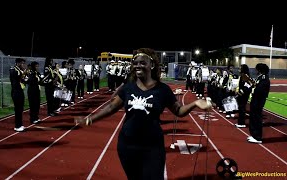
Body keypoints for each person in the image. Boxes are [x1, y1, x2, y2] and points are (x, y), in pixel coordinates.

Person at [79, 48, 212, 179]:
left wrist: (195, 103)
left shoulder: (163, 90)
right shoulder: (128, 87)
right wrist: (90, 119)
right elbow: (111, 107)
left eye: (142, 63)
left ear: (152, 65)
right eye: (135, 63)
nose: (138, 66)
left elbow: (179, 111)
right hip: (127, 145)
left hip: (152, 146)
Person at [243, 63, 270, 144]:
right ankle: (254, 134)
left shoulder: (264, 78)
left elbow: (260, 90)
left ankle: (258, 137)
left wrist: (253, 87)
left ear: (260, 69)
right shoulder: (260, 77)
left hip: (258, 100)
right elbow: (254, 85)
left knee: (257, 118)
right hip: (255, 100)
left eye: (256, 69)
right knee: (253, 117)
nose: (255, 70)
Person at [10, 58, 27, 132]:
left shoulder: (20, 70)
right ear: (18, 63)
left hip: (20, 90)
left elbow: (23, 79)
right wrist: (24, 72)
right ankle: (17, 126)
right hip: (16, 91)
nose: (23, 65)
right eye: (22, 63)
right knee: (18, 109)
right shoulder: (13, 69)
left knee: (20, 109)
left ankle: (20, 124)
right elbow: (16, 77)